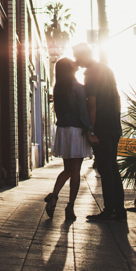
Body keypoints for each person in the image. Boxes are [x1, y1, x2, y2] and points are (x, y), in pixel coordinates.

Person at [73, 42, 127, 222]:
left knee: (105, 169)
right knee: (113, 167)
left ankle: (110, 210)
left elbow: (92, 104)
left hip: (102, 128)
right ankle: (119, 210)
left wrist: (91, 130)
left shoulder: (90, 74)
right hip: (114, 126)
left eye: (77, 56)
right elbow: (118, 98)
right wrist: (116, 120)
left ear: (83, 55)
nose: (76, 60)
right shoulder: (107, 69)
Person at [45, 57, 98, 221]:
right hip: (77, 131)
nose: (76, 63)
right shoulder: (79, 88)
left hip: (63, 131)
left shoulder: (58, 88)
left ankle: (54, 195)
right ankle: (70, 206)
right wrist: (90, 130)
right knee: (75, 171)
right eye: (72, 63)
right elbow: (83, 112)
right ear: (70, 69)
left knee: (67, 169)